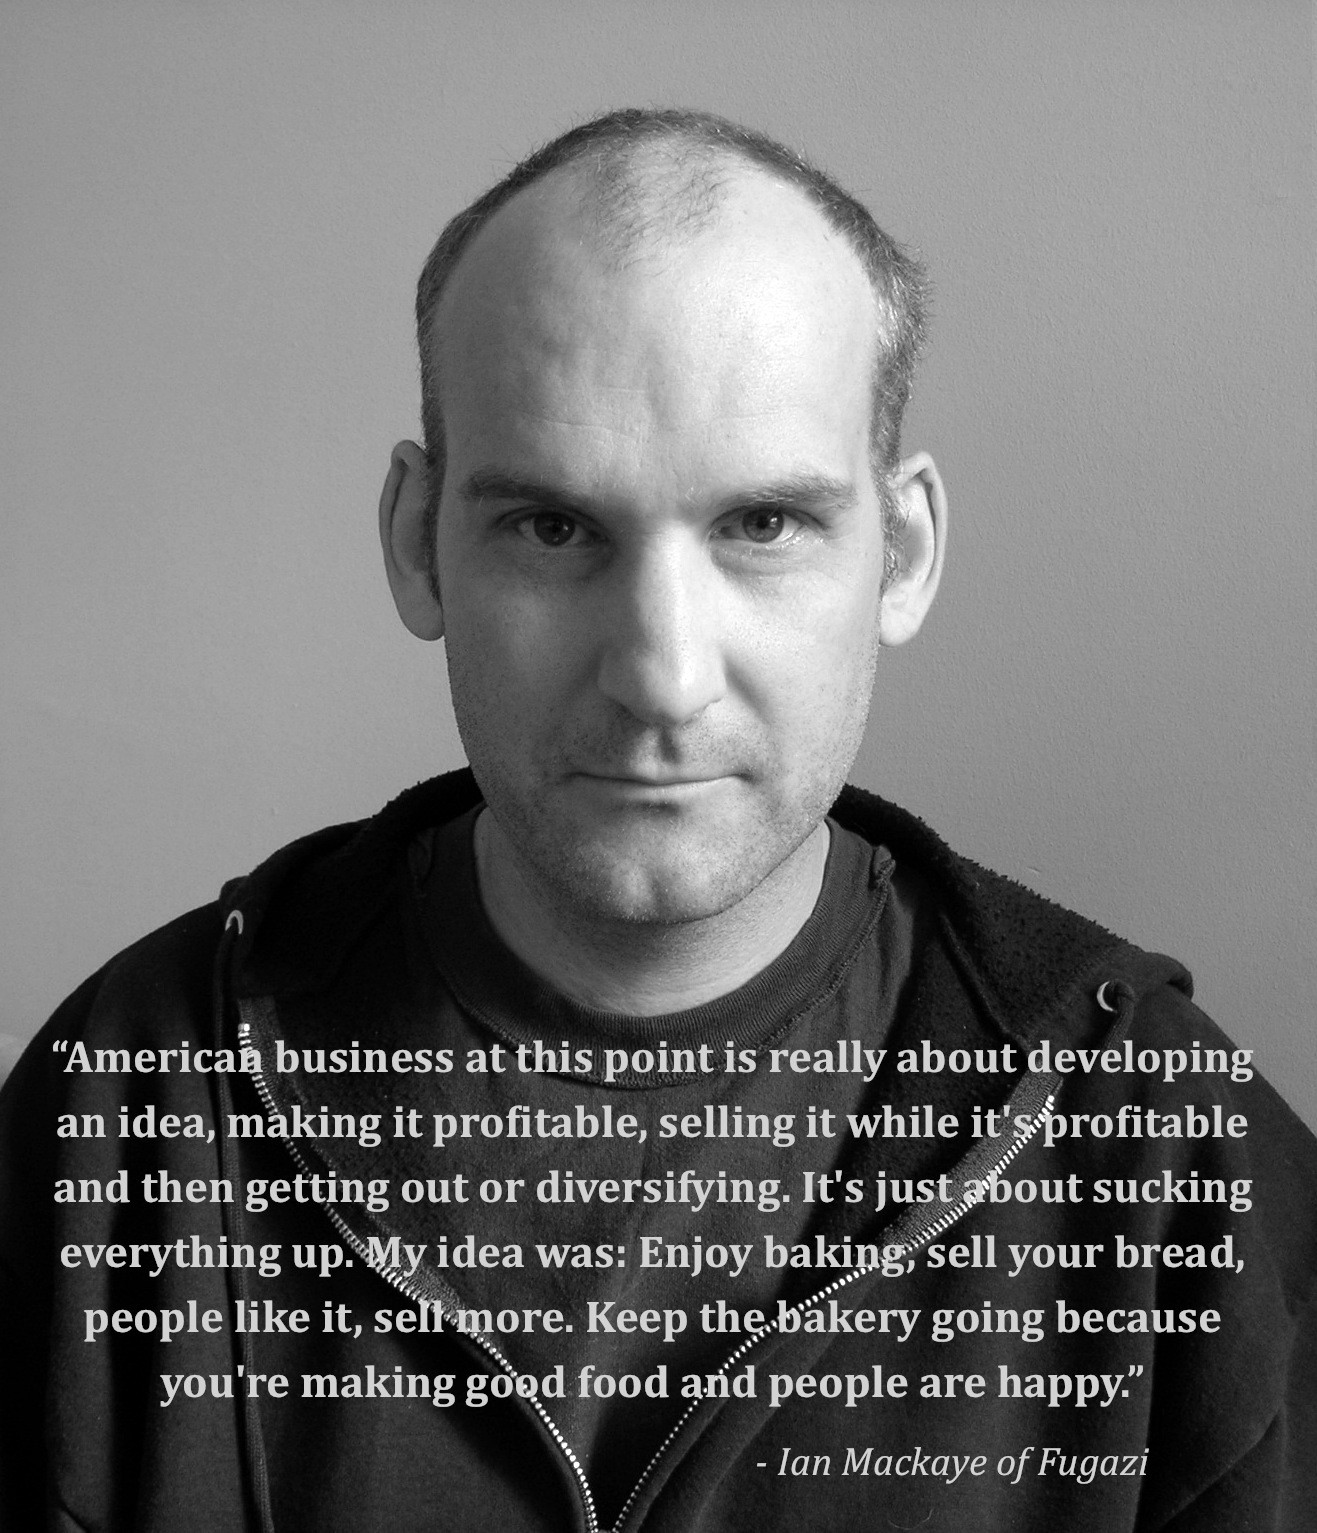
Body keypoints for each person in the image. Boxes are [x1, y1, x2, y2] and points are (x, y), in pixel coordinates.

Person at [1, 108, 1313, 1533]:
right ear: (415, 540)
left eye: (764, 526)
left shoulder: (1167, 1150)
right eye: (553, 528)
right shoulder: (129, 1105)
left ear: (904, 552)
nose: (661, 675)